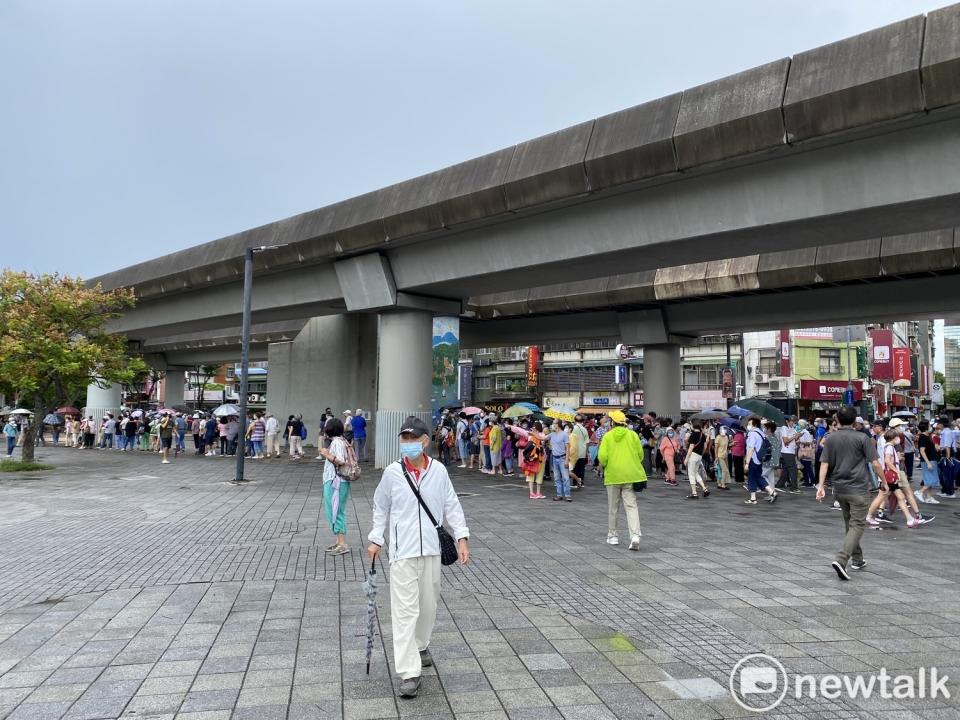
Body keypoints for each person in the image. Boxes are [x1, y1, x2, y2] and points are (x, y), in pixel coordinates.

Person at [367, 416, 470, 699]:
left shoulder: (438, 471)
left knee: (428, 605)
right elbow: (380, 506)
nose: (407, 444)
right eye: (404, 439)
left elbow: (452, 503)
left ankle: (421, 644)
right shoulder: (392, 473)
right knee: (404, 611)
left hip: (432, 550)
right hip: (402, 552)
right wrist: (377, 538)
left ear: (425, 441)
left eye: (413, 439)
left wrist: (462, 537)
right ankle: (409, 672)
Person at [816, 405, 887, 581]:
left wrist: (821, 486)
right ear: (855, 421)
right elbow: (876, 463)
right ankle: (842, 559)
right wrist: (884, 481)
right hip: (859, 488)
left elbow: (824, 463)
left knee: (851, 524)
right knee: (858, 525)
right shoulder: (863, 438)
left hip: (840, 489)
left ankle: (858, 559)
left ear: (837, 420)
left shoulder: (831, 438)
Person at [598, 410, 644, 550]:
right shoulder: (633, 435)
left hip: (613, 476)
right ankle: (635, 535)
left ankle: (613, 536)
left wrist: (606, 466)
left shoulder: (607, 436)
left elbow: (602, 457)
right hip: (630, 475)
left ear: (612, 422)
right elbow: (640, 455)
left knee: (613, 507)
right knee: (631, 506)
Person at [319, 418, 352, 555]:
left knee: (335, 511)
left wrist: (327, 454)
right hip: (339, 481)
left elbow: (340, 461)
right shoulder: (343, 441)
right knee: (337, 510)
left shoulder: (337, 442)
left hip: (335, 481)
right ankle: (339, 541)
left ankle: (342, 543)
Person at [744, 417, 777, 505]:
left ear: (754, 425)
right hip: (759, 459)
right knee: (758, 477)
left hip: (753, 459)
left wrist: (747, 462)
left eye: (749, 424)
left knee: (751, 478)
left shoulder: (752, 434)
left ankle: (753, 499)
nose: (748, 426)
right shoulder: (761, 433)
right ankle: (772, 492)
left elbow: (751, 448)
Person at [519, 421, 547, 499]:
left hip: (538, 457)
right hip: (534, 457)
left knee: (538, 475)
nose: (533, 429)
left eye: (535, 427)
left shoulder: (541, 435)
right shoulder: (530, 435)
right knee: (531, 474)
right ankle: (532, 493)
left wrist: (535, 435)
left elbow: (542, 442)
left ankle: (537, 493)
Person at [683, 421, 710, 500]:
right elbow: (705, 447)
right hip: (699, 456)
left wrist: (686, 458)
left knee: (691, 474)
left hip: (693, 456)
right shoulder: (702, 435)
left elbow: (691, 447)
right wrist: (701, 453)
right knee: (695, 472)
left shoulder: (693, 435)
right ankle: (704, 488)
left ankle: (694, 493)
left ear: (693, 426)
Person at [916, 420, 941, 504]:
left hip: (932, 459)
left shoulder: (927, 436)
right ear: (926, 426)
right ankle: (920, 492)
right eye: (929, 425)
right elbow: (922, 451)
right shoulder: (923, 437)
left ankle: (928, 497)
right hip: (928, 460)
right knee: (932, 479)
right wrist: (928, 462)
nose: (931, 426)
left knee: (929, 480)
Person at [548, 422, 572, 501]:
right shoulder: (552, 434)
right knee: (557, 478)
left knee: (565, 478)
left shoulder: (564, 434)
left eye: (554, 423)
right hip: (554, 458)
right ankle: (559, 495)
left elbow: (567, 448)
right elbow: (543, 438)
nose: (552, 425)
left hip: (562, 458)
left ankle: (567, 495)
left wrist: (566, 460)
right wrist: (534, 434)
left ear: (557, 425)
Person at [775, 416, 800, 493]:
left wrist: (798, 436)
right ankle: (794, 487)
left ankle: (780, 484)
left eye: (794, 421)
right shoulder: (784, 428)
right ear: (787, 421)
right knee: (793, 469)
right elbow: (785, 441)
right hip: (786, 451)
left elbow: (796, 439)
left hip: (790, 451)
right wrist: (794, 437)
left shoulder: (793, 429)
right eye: (792, 421)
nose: (793, 423)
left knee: (786, 469)